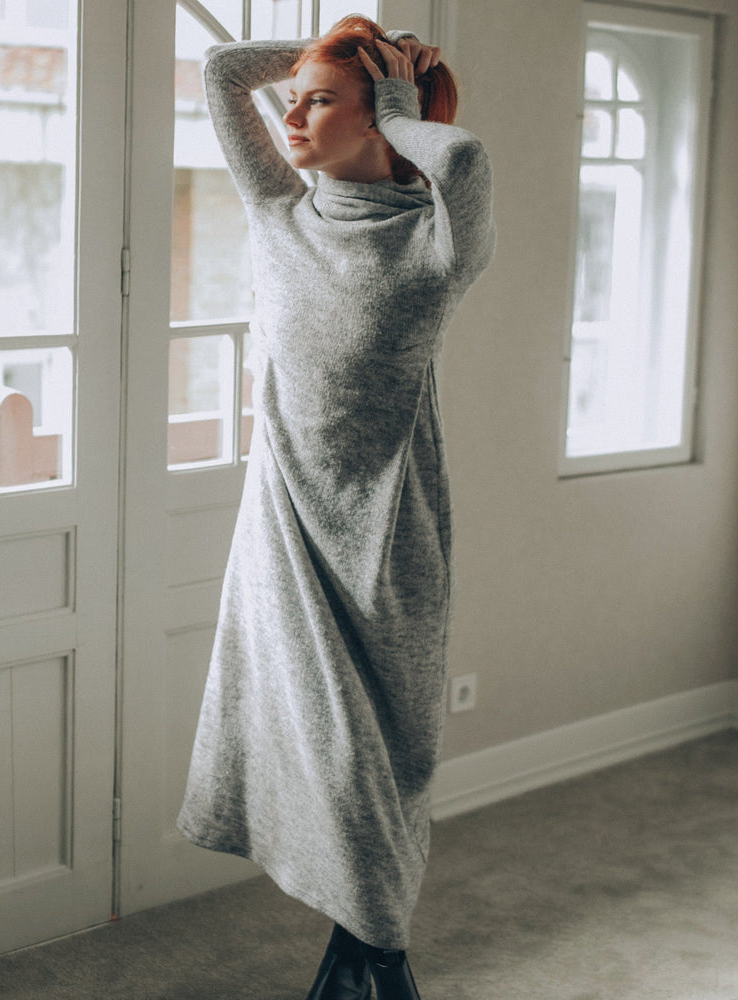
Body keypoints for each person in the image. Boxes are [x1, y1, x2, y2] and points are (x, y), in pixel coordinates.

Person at [177, 15, 496, 1000]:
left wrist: (396, 97)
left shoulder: (433, 246)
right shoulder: (281, 210)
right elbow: (224, 68)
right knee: (307, 755)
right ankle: (367, 965)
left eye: (320, 103)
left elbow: (468, 158)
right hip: (281, 528)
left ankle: (369, 960)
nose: (291, 117)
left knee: (375, 770)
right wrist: (332, 55)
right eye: (298, 98)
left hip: (383, 541)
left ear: (383, 123)